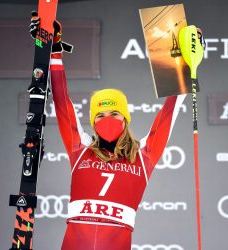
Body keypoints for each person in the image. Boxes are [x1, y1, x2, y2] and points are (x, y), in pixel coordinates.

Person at [30, 14, 203, 250]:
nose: (107, 120)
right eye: (99, 116)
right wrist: (54, 51)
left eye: (114, 114)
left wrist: (184, 67)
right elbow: (62, 104)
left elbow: (168, 113)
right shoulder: (80, 149)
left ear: (125, 118)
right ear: (92, 122)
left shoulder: (144, 155)